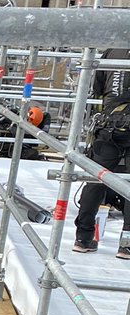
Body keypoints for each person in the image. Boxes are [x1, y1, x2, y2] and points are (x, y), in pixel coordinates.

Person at [74, 48, 130, 257]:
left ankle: (83, 238)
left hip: (109, 126)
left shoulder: (113, 51)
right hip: (118, 124)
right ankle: (127, 245)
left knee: (97, 180)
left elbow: (96, 87)